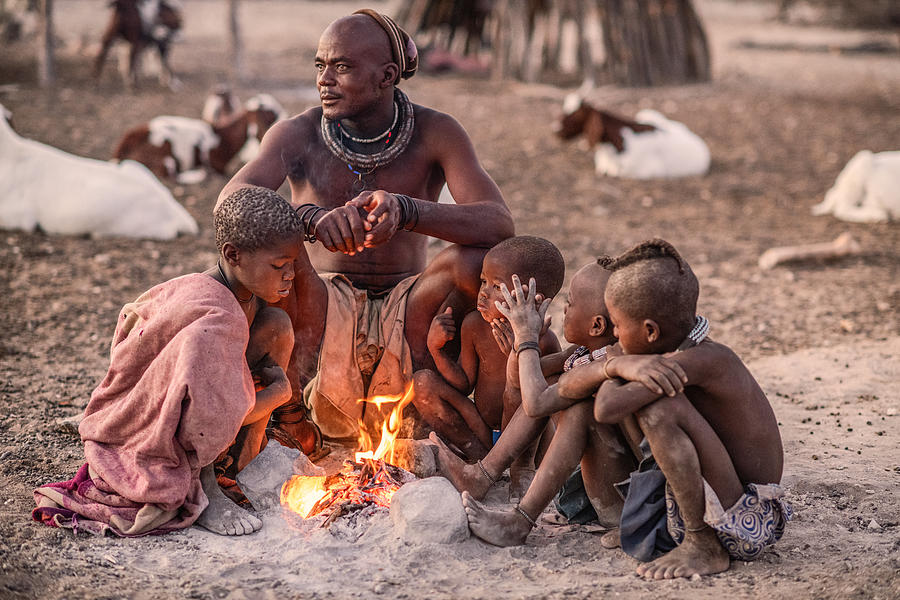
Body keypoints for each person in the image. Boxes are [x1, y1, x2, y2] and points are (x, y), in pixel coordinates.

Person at [217, 9, 513, 448]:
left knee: (477, 261)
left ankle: (454, 426)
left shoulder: (436, 132)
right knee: (274, 259)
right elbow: (229, 204)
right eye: (320, 65)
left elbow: (499, 223)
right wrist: (309, 220)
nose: (325, 79)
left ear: (386, 75)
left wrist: (408, 210)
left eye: (342, 66)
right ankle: (292, 414)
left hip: (410, 303)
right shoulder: (297, 134)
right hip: (320, 301)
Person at [33, 187, 303, 537]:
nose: (291, 275)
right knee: (253, 371)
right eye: (280, 265)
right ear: (233, 254)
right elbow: (201, 421)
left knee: (277, 326)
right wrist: (279, 394)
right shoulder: (215, 321)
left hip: (189, 394)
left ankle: (240, 465)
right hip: (159, 425)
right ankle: (204, 485)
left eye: (294, 263)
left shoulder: (237, 291)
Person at [556, 239, 790, 579]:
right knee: (636, 399)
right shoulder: (670, 352)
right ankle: (661, 527)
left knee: (660, 408)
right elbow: (570, 395)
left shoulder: (704, 360)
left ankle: (702, 544)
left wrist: (618, 363)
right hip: (718, 501)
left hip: (746, 516)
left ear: (650, 331)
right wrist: (616, 367)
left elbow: (607, 407)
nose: (615, 336)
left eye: (618, 326)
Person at [432, 261, 642, 542]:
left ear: (597, 325)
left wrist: (527, 338)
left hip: (621, 505)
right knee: (553, 384)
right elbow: (523, 380)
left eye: (570, 303)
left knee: (575, 407)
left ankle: (521, 519)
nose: (564, 310)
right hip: (599, 486)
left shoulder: (608, 361)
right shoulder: (582, 352)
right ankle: (481, 476)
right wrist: (519, 350)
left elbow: (536, 402)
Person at [411, 236, 564, 464]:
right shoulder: (474, 325)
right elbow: (464, 384)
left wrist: (519, 357)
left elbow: (548, 403)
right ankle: (482, 460)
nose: (483, 293)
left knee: (529, 406)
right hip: (482, 429)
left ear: (533, 297)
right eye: (483, 282)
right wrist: (436, 349)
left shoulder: (543, 341)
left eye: (496, 286)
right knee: (421, 382)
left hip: (525, 436)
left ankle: (513, 466)